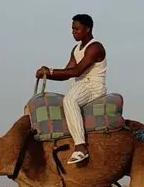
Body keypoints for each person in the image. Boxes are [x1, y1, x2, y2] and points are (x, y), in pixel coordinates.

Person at [35, 14, 107, 166]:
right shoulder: (76, 49)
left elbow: (77, 71)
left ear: (87, 29)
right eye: (72, 29)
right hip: (81, 85)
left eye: (77, 29)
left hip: (94, 85)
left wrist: (50, 71)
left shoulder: (95, 47)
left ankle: (81, 146)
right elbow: (67, 73)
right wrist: (46, 75)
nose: (73, 32)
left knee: (70, 100)